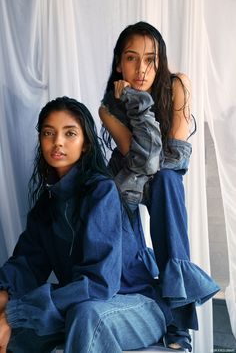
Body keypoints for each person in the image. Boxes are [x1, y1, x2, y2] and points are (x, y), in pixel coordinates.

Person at [0, 96, 178, 353]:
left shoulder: (101, 191)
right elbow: (26, 265)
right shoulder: (46, 206)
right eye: (49, 133)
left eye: (69, 133)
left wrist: (15, 313)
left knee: (85, 316)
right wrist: (4, 294)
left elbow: (99, 283)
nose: (57, 141)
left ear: (85, 144)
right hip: (86, 303)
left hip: (137, 304)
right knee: (20, 331)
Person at [99, 21, 220, 351]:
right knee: (107, 193)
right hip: (129, 178)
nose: (142, 69)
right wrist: (134, 100)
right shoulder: (108, 107)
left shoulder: (178, 84)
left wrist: (138, 99)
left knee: (167, 181)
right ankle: (135, 294)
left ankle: (178, 315)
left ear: (160, 61)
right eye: (132, 58)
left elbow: (171, 159)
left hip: (162, 178)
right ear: (119, 63)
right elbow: (140, 162)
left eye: (150, 59)